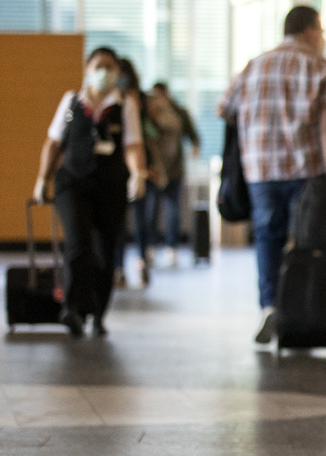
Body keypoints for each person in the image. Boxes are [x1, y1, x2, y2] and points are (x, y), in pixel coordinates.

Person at [217, 5, 326, 344]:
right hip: (305, 168)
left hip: (260, 170)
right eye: (320, 31)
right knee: (307, 240)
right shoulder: (319, 66)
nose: (321, 39)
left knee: (267, 236)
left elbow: (224, 109)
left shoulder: (254, 65)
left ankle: (270, 306)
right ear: (309, 30)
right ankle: (301, 311)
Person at [32, 47, 148, 337]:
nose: (104, 71)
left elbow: (133, 144)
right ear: (87, 68)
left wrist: (138, 174)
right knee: (78, 244)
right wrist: (42, 179)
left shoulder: (126, 105)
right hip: (72, 181)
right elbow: (53, 143)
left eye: (110, 66)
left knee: (104, 251)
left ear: (118, 72)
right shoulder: (72, 102)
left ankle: (97, 313)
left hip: (110, 184)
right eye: (99, 65)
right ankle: (72, 308)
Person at [145, 82, 202, 267]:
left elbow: (193, 135)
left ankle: (172, 247)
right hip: (154, 169)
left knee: (173, 210)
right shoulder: (149, 114)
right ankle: (151, 246)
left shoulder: (179, 112)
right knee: (151, 210)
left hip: (175, 169)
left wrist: (195, 146)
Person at [111, 58, 155, 288]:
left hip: (140, 166)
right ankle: (118, 267)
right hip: (119, 167)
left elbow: (148, 135)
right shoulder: (113, 102)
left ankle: (142, 264)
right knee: (121, 222)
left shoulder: (141, 102)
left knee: (140, 220)